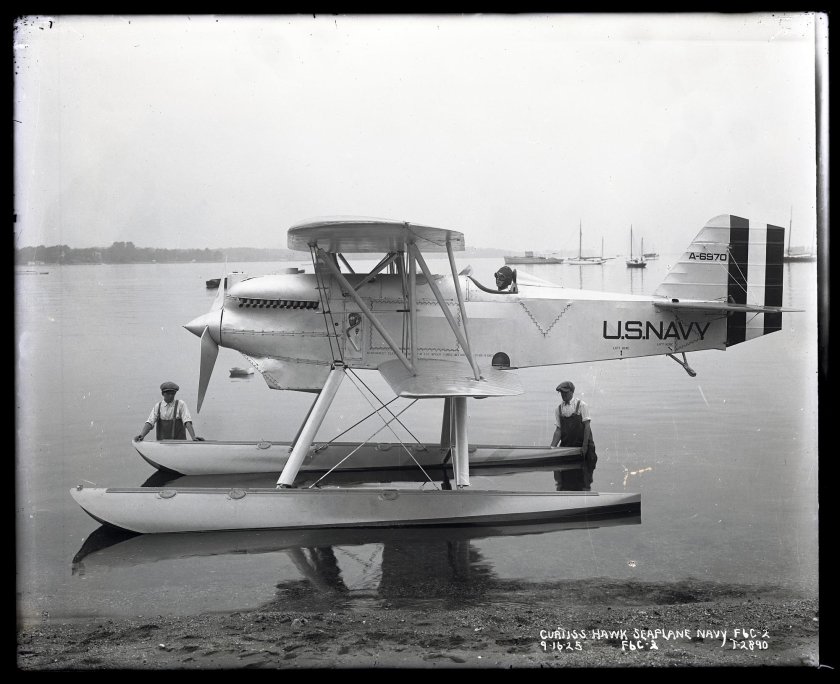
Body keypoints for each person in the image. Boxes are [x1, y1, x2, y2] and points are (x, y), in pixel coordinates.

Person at [550, 380, 597, 490]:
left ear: (572, 392)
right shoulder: (559, 409)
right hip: (568, 447)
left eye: (565, 392)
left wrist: (585, 446)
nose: (563, 395)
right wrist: (551, 449)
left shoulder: (582, 405)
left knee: (584, 480)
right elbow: (558, 430)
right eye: (561, 393)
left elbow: (587, 427)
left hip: (584, 447)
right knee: (564, 481)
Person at [134, 381, 204, 441]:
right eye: (168, 393)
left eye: (173, 393)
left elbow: (187, 421)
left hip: (180, 444)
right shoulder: (158, 406)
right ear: (163, 394)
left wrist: (193, 437)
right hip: (162, 444)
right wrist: (142, 435)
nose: (171, 396)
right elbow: (150, 422)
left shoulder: (181, 404)